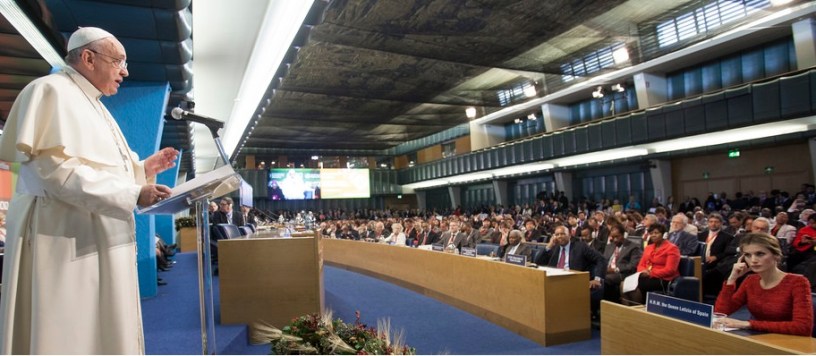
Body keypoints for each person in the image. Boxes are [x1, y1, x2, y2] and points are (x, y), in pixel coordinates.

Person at [0, 27, 179, 354]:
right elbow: (57, 172)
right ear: (88, 57)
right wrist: (132, 194)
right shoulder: (50, 92)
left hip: (97, 234)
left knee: (102, 327)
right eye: (118, 61)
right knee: (72, 331)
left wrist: (143, 169)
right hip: (64, 236)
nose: (125, 72)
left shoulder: (94, 104)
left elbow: (101, 168)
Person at [714, 233, 813, 336]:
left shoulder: (798, 282)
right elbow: (720, 313)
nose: (753, 260)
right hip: (759, 338)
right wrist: (731, 279)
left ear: (776, 255)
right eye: (748, 255)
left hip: (789, 341)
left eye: (760, 254)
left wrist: (749, 324)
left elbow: (803, 327)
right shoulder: (750, 280)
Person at [623, 224, 680, 305]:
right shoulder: (648, 247)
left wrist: (650, 273)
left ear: (664, 234)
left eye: (656, 233)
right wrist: (642, 272)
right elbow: (640, 265)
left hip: (663, 279)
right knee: (624, 284)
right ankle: (627, 309)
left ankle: (637, 308)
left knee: (634, 286)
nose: (653, 235)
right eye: (651, 233)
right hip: (646, 276)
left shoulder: (672, 248)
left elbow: (670, 270)